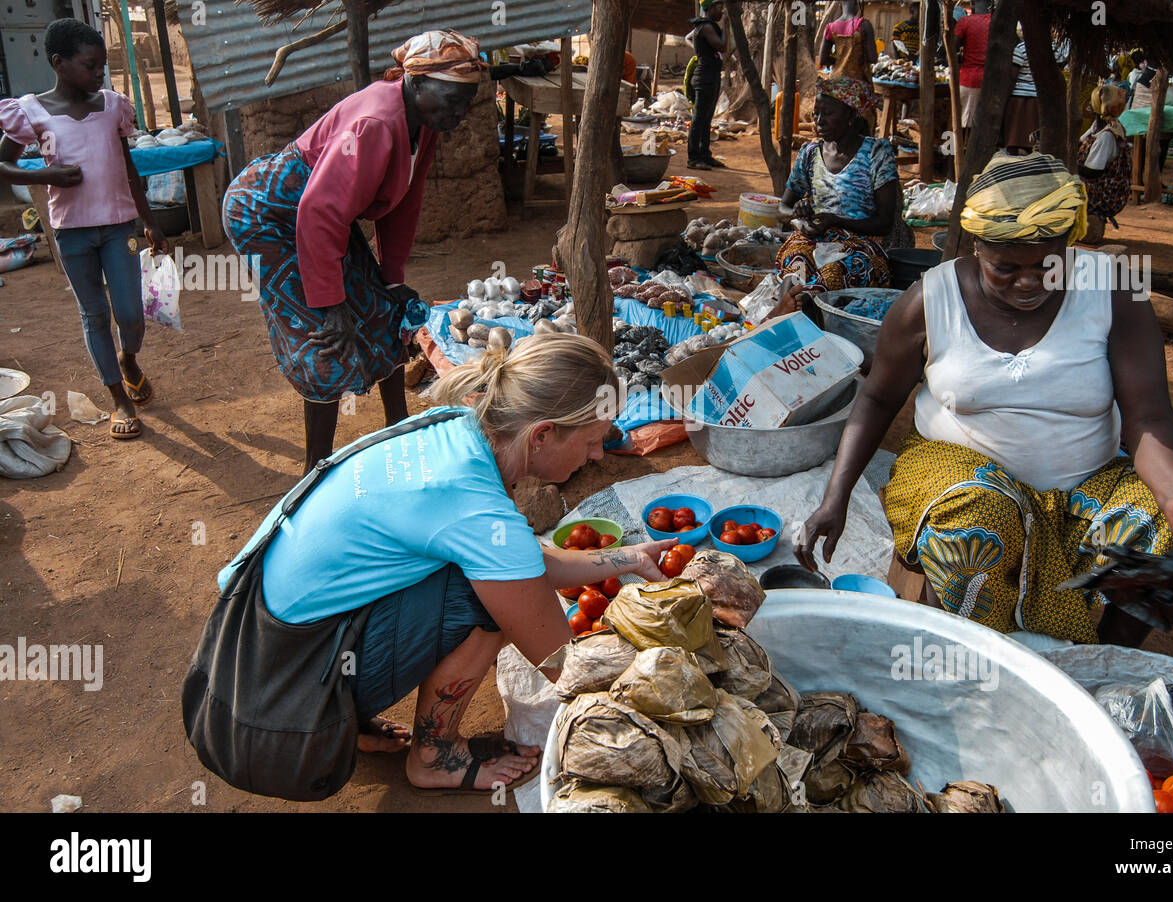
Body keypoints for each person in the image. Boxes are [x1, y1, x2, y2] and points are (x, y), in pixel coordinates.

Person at [795, 153, 1173, 646]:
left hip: (1085, 486)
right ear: (976, 248)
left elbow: (1147, 415)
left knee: (1169, 526)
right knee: (982, 520)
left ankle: (1103, 661)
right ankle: (979, 655)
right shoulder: (930, 300)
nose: (1030, 281)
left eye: (1047, 265)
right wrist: (835, 495)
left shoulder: (1112, 289)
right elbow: (878, 401)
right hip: (957, 475)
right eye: (1007, 267)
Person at [216, 332, 679, 791]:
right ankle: (434, 758)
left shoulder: (457, 427)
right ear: (542, 435)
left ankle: (351, 717)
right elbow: (562, 663)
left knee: (494, 581)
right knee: (493, 604)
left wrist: (627, 557)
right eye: (594, 441)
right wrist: (665, 698)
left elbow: (520, 557)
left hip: (245, 652)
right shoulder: (473, 504)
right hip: (276, 715)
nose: (599, 454)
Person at [224, 30, 484, 474]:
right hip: (270, 215)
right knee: (325, 339)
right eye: (452, 99)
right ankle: (314, 471)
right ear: (416, 83)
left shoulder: (424, 122)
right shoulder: (376, 125)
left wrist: (393, 278)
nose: (459, 113)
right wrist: (329, 305)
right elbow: (317, 211)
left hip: (321, 215)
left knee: (385, 310)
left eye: (467, 101)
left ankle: (398, 421)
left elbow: (406, 202)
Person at [0, 19, 168, 441]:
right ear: (59, 63)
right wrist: (46, 176)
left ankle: (129, 359)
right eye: (90, 65)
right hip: (72, 232)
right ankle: (119, 400)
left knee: (130, 314)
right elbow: (4, 164)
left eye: (102, 66)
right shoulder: (30, 111)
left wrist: (149, 221)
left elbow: (128, 167)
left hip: (118, 227)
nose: (99, 74)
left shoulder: (112, 105)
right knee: (94, 315)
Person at [773, 77, 898, 298]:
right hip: (814, 239)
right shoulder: (810, 153)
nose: (819, 121)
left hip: (860, 245)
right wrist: (798, 217)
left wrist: (836, 220)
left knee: (830, 276)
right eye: (816, 113)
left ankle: (799, 322)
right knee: (795, 270)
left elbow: (885, 223)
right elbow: (782, 208)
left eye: (828, 114)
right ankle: (788, 317)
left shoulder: (876, 153)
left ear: (850, 115)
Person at [1078, 85, 1132, 244]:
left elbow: (1092, 173)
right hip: (1097, 184)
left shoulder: (1107, 136)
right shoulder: (1098, 127)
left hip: (1105, 192)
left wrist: (1066, 166)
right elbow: (1078, 143)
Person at [687, 0, 727, 170]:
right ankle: (694, 158)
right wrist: (726, 25)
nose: (722, 10)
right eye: (719, 7)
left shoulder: (706, 26)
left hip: (710, 77)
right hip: (705, 78)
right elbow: (723, 46)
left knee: (706, 119)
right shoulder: (706, 27)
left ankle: (705, 154)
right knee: (699, 119)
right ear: (710, 8)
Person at [953, 0, 992, 134]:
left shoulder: (965, 22)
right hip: (992, 80)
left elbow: (952, 48)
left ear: (973, 4)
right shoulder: (998, 22)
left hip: (970, 80)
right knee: (985, 124)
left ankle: (964, 153)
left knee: (966, 125)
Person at [823, 1, 879, 80]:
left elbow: (823, 59)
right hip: (858, 83)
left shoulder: (830, 27)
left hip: (835, 82)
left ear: (841, 5)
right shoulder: (864, 25)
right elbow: (872, 58)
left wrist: (840, 60)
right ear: (856, 5)